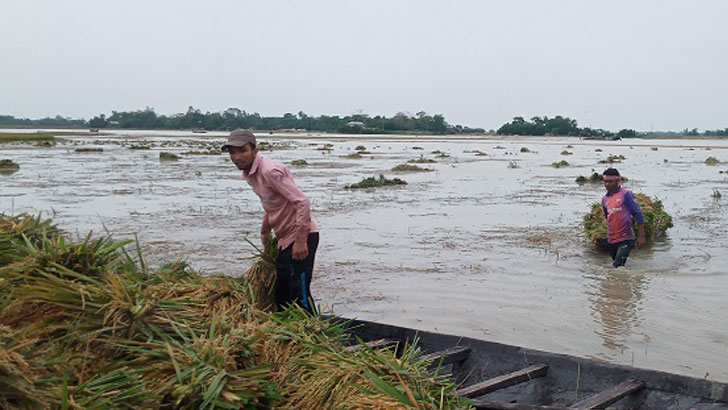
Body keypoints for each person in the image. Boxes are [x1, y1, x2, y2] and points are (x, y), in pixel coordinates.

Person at [223, 129, 319, 313]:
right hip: (284, 241)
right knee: (282, 295)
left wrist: (300, 241)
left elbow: (302, 202)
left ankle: (312, 333)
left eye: (242, 150)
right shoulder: (252, 174)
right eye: (232, 152)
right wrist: (265, 233)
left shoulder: (269, 172)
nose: (236, 157)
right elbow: (271, 204)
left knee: (299, 296)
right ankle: (287, 334)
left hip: (300, 239)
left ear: (255, 150)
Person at [601, 168, 646, 268]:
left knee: (617, 265)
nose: (607, 184)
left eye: (610, 182)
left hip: (626, 238)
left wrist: (641, 236)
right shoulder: (604, 199)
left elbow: (637, 213)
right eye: (605, 182)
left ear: (618, 181)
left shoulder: (625, 194)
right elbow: (607, 217)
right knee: (618, 267)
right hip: (612, 239)